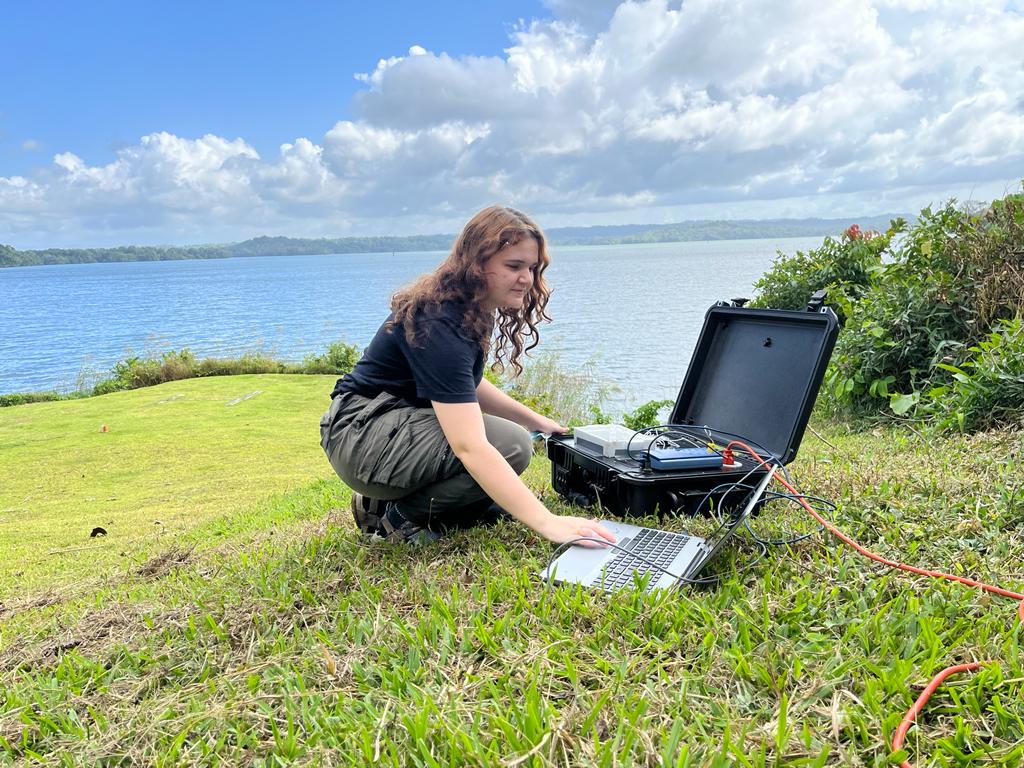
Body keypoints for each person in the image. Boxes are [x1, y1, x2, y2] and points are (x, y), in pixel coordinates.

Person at [319, 205, 616, 548]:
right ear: (477, 264)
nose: (527, 279)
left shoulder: (471, 307)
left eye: (532, 267)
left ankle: (382, 503)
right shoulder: (439, 321)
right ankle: (398, 519)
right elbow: (468, 446)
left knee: (513, 438)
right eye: (514, 266)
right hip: (361, 435)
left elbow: (465, 384)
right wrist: (548, 523)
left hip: (382, 427)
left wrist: (539, 421)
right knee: (510, 445)